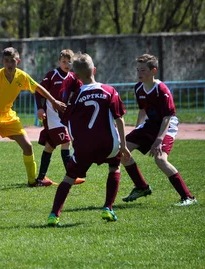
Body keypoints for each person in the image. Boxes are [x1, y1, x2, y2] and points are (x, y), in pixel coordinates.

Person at [0, 47, 66, 191]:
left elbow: (38, 88)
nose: (10, 64)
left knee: (28, 147)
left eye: (13, 61)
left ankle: (32, 181)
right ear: (2, 62)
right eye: (7, 61)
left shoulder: (21, 76)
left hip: (8, 116)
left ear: (18, 61)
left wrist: (53, 101)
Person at [47, 53, 130, 227]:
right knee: (114, 166)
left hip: (84, 146)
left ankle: (54, 215)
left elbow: (67, 120)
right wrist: (122, 144)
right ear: (94, 70)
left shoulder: (76, 96)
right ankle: (108, 208)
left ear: (75, 76)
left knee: (69, 178)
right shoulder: (109, 91)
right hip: (108, 143)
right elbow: (119, 118)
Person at [120, 54, 197, 206]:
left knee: (160, 159)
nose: (139, 73)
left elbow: (167, 117)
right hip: (150, 124)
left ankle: (188, 197)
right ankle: (141, 187)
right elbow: (142, 111)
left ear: (153, 71)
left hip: (167, 125)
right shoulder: (138, 88)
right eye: (138, 70)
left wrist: (159, 140)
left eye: (143, 70)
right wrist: (137, 131)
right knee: (122, 151)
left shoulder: (161, 89)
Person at [34, 49, 85, 186]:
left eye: (69, 61)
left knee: (49, 146)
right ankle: (72, 176)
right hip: (52, 116)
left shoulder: (73, 77)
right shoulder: (52, 75)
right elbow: (38, 91)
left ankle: (40, 178)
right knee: (66, 142)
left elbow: (81, 90)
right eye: (63, 61)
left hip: (63, 117)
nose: (66, 64)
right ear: (59, 62)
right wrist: (40, 107)